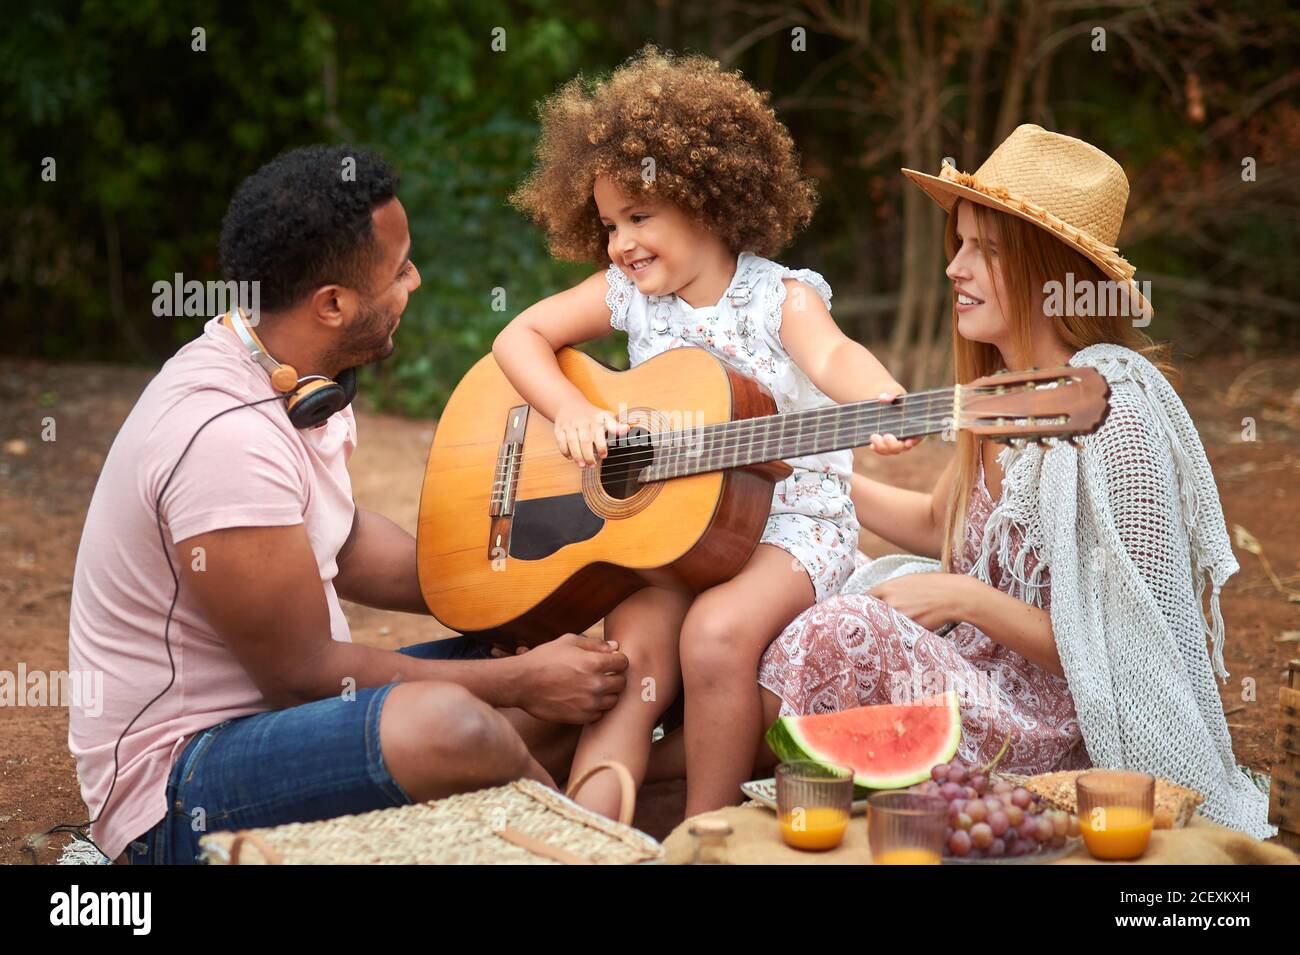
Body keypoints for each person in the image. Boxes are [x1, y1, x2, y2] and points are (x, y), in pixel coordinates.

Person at [66, 145, 629, 865]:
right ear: (332, 303)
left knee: (554, 673)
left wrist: (527, 586)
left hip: (287, 722)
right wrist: (519, 679)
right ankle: (587, 849)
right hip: (178, 786)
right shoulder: (224, 439)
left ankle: (535, 814)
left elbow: (348, 542)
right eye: (400, 269)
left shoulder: (293, 372)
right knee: (458, 721)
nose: (415, 281)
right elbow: (303, 672)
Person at [748, 124, 1274, 838]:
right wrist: (797, 478)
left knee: (850, 624)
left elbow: (1125, 647)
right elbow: (942, 525)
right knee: (810, 579)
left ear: (1049, 272)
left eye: (986, 250)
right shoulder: (996, 392)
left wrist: (963, 595)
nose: (955, 268)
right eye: (960, 243)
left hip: (1056, 725)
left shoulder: (1113, 413)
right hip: (973, 678)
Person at [497, 47, 912, 820]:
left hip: (792, 526)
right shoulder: (628, 296)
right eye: (609, 223)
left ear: (709, 199)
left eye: (640, 217)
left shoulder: (777, 297)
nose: (620, 242)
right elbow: (518, 337)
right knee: (629, 655)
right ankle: (595, 831)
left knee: (716, 636)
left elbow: (832, 355)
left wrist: (880, 395)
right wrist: (572, 411)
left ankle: (706, 832)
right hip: (674, 531)